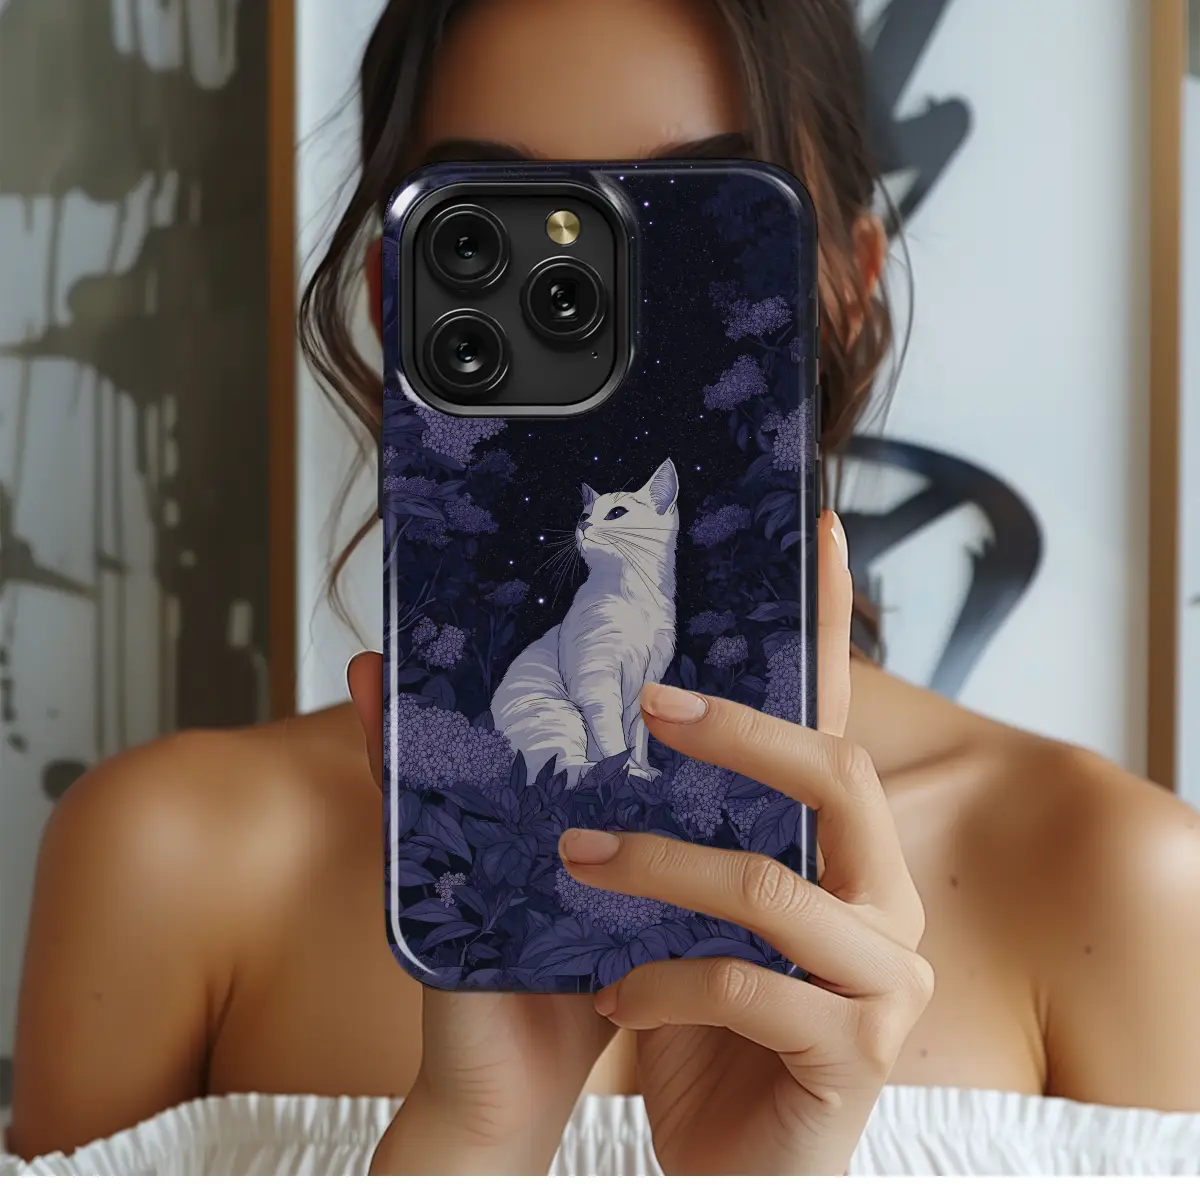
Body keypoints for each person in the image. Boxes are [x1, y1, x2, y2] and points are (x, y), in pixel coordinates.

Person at [7, 0, 1200, 1177]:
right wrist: (475, 1140)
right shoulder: (170, 861)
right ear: (393, 297)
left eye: (701, 220)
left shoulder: (1116, 882)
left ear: (848, 285)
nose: (599, 300)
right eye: (495, 226)